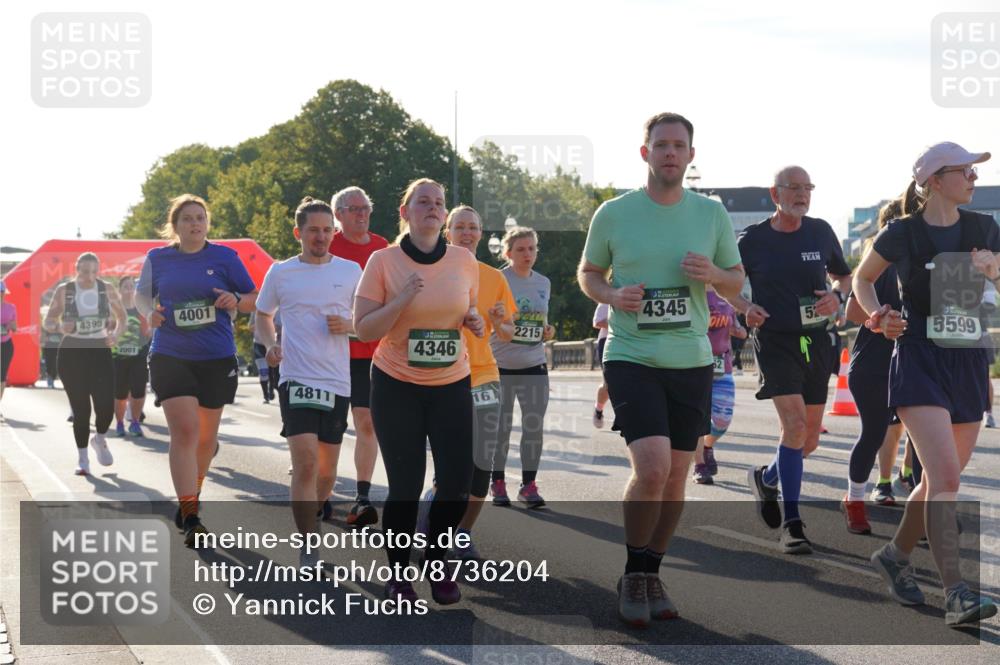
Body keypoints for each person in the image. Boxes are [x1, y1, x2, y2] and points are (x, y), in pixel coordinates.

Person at [577, 112, 744, 627]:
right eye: (661, 144)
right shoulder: (614, 213)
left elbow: (736, 281)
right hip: (631, 354)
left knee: (675, 477)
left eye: (679, 146)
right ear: (644, 152)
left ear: (691, 156)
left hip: (692, 360)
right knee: (649, 469)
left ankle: (653, 571)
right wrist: (611, 295)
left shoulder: (710, 214)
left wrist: (714, 274)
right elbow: (588, 273)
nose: (670, 152)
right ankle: (632, 573)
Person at [854, 141, 997, 626]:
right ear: (936, 180)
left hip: (969, 359)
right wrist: (878, 315)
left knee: (939, 479)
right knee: (948, 480)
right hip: (918, 358)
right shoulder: (903, 233)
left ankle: (895, 555)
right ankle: (956, 594)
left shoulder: (984, 228)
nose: (974, 180)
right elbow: (862, 279)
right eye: (966, 172)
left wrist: (995, 272)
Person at [353, 178, 483, 605]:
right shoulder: (383, 261)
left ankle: (437, 559)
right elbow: (364, 328)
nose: (432, 207)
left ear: (444, 215)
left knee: (456, 483)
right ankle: (399, 575)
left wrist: (474, 321)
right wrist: (401, 299)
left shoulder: (464, 261)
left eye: (438, 203)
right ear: (406, 212)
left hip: (451, 382)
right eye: (422, 201)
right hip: (397, 385)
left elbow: (467, 309)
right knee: (405, 485)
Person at [732, 165, 852, 555]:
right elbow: (722, 284)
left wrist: (837, 297)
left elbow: (845, 278)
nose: (802, 195)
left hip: (816, 340)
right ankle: (792, 523)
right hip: (775, 340)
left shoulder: (820, 230)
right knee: (795, 425)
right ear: (775, 193)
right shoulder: (751, 239)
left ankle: (767, 478)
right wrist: (745, 307)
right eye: (794, 188)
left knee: (810, 439)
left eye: (807, 188)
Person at [136, 194, 258, 546]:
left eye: (200, 218)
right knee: (186, 433)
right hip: (171, 354)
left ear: (207, 223)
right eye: (187, 218)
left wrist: (236, 301)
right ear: (174, 226)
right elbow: (142, 296)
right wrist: (150, 314)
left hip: (216, 356)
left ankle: (193, 492)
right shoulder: (158, 259)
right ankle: (191, 516)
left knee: (206, 439)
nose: (194, 223)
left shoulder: (224, 257)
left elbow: (253, 297)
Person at [256, 197, 360, 567]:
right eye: (313, 230)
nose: (321, 236)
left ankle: (315, 512)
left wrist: (350, 325)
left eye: (327, 230)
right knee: (305, 464)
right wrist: (271, 345)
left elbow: (368, 319)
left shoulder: (351, 272)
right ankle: (308, 543)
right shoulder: (281, 273)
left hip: (337, 381)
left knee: (327, 472)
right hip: (296, 377)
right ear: (298, 233)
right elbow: (263, 314)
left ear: (335, 232)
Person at [441, 204, 515, 558]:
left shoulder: (495, 278)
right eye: (460, 227)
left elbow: (509, 332)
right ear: (448, 232)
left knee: (482, 464)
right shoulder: (432, 270)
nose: (467, 233)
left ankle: (464, 531)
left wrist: (501, 321)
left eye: (473, 227)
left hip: (484, 375)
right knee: (451, 463)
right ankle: (438, 518)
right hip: (441, 377)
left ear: (480, 235)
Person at [842, 200, 907, 534]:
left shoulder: (929, 263)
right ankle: (855, 500)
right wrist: (881, 319)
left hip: (915, 364)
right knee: (875, 432)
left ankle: (925, 513)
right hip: (873, 365)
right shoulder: (880, 266)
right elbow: (852, 311)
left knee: (925, 437)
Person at [329, 185, 390, 527]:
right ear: (338, 214)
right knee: (332, 429)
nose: (362, 213)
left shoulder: (383, 248)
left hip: (372, 351)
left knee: (367, 423)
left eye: (366, 208)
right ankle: (322, 491)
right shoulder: (328, 246)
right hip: (332, 352)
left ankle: (362, 497)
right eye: (354, 209)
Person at [489, 226, 555, 509]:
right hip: (501, 365)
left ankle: (528, 485)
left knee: (533, 427)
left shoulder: (544, 282)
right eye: (521, 249)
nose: (527, 254)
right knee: (500, 428)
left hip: (534, 364)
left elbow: (540, 322)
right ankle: (498, 481)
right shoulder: (497, 280)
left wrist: (546, 332)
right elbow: (491, 320)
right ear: (508, 253)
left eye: (532, 249)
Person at [43, 254, 127, 475]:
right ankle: (83, 460)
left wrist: (116, 335)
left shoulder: (107, 289)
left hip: (100, 351)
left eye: (93, 272)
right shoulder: (65, 290)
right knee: (81, 410)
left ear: (98, 271)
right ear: (76, 269)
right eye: (84, 272)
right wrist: (61, 326)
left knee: (106, 407)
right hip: (72, 353)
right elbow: (48, 321)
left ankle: (99, 439)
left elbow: (123, 318)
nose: (89, 277)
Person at [692, 286, 746, 484]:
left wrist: (738, 330)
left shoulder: (727, 295)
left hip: (723, 366)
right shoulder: (691, 291)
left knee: (723, 420)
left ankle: (707, 446)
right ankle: (699, 466)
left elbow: (736, 326)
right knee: (698, 418)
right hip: (694, 364)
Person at [111, 276, 151, 437]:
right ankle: (120, 423)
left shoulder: (141, 308)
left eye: (131, 286)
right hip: (118, 357)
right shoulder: (113, 308)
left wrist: (149, 332)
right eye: (126, 287)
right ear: (119, 290)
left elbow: (148, 330)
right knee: (120, 394)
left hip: (139, 355)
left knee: (138, 391)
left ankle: (134, 422)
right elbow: (106, 327)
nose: (129, 289)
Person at [250, 311, 280, 404]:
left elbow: (280, 327)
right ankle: (265, 395)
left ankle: (271, 391)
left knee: (272, 371)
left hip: (272, 344)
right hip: (258, 345)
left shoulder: (277, 309)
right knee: (263, 372)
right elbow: (250, 327)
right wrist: (259, 325)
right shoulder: (254, 310)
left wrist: (271, 325)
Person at [593, 302, 610, 428]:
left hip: (634, 341)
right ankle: (598, 410)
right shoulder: (608, 294)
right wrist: (624, 323)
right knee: (609, 383)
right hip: (608, 341)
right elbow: (597, 322)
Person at [1, 280, 16, 405]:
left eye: (2, 292)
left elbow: (15, 328)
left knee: (2, 375)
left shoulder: (11, 307)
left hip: (6, 344)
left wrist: (10, 325)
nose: (0, 294)